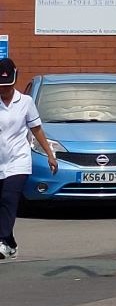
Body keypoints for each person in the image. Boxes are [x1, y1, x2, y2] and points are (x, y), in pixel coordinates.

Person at [0, 57, 58, 260]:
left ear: (15, 80)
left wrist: (50, 154)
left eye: (8, 85)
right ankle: (10, 242)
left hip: (18, 160)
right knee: (2, 202)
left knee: (9, 198)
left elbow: (37, 130)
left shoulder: (25, 102)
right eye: (1, 86)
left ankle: (1, 240)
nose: (4, 89)